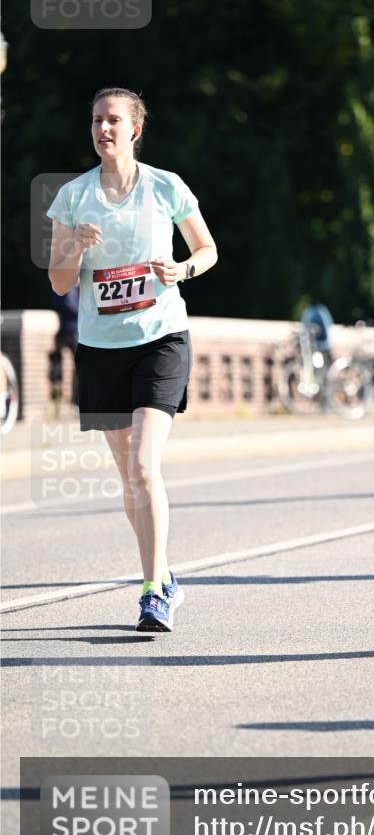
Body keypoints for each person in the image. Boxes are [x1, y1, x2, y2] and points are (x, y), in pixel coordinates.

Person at [47, 87, 218, 632]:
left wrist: (181, 270)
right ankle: (164, 573)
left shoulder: (166, 186)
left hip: (161, 337)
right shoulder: (72, 197)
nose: (103, 129)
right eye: (96, 120)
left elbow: (207, 249)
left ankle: (151, 592)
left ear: (134, 130)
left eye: (114, 120)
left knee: (145, 465)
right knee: (129, 478)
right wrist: (75, 245)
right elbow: (57, 281)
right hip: (101, 349)